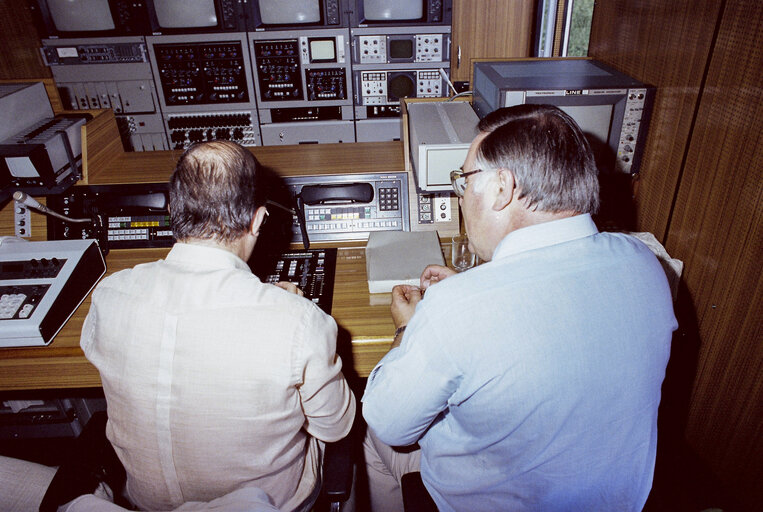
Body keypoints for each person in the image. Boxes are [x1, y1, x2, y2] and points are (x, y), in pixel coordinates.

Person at [361, 104, 678, 512]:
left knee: (371, 435)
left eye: (464, 181)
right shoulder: (645, 263)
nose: (460, 199)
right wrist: (472, 289)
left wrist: (408, 330)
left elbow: (392, 424)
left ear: (501, 188)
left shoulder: (456, 309)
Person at [80, 141, 356, 511]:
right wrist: (292, 310)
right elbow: (337, 426)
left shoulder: (110, 295)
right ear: (258, 220)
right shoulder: (298, 322)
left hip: (145, 504)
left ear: (171, 210)